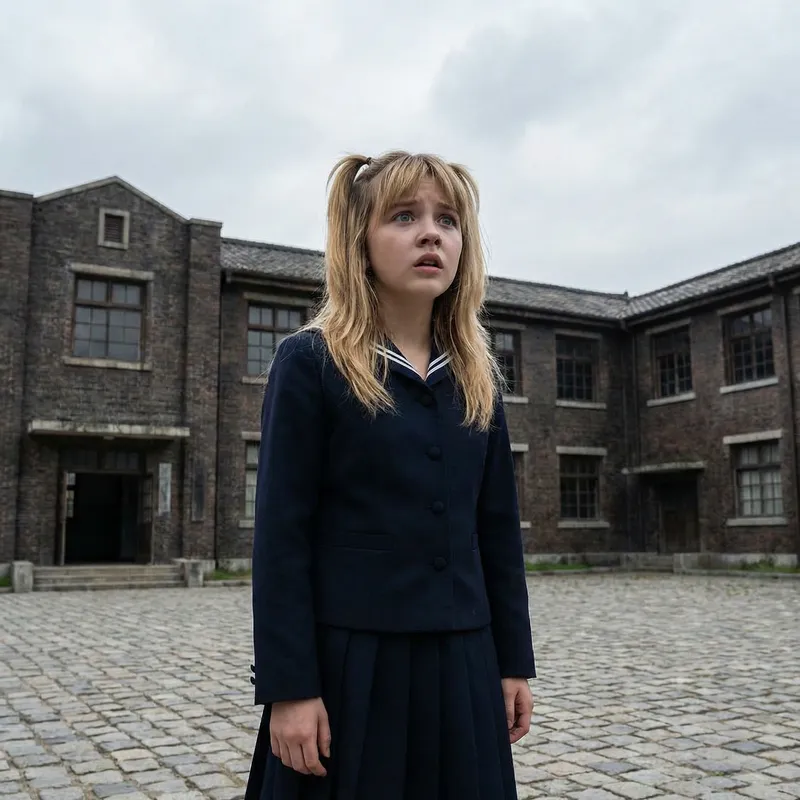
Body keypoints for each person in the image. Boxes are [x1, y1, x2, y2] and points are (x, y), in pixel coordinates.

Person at [246, 150, 536, 800]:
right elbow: (281, 540)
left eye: (448, 219)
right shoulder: (310, 363)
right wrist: (291, 688)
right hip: (354, 667)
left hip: (465, 661)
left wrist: (512, 663)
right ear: (360, 242)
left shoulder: (477, 378)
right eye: (404, 217)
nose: (431, 233)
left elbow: (496, 533)